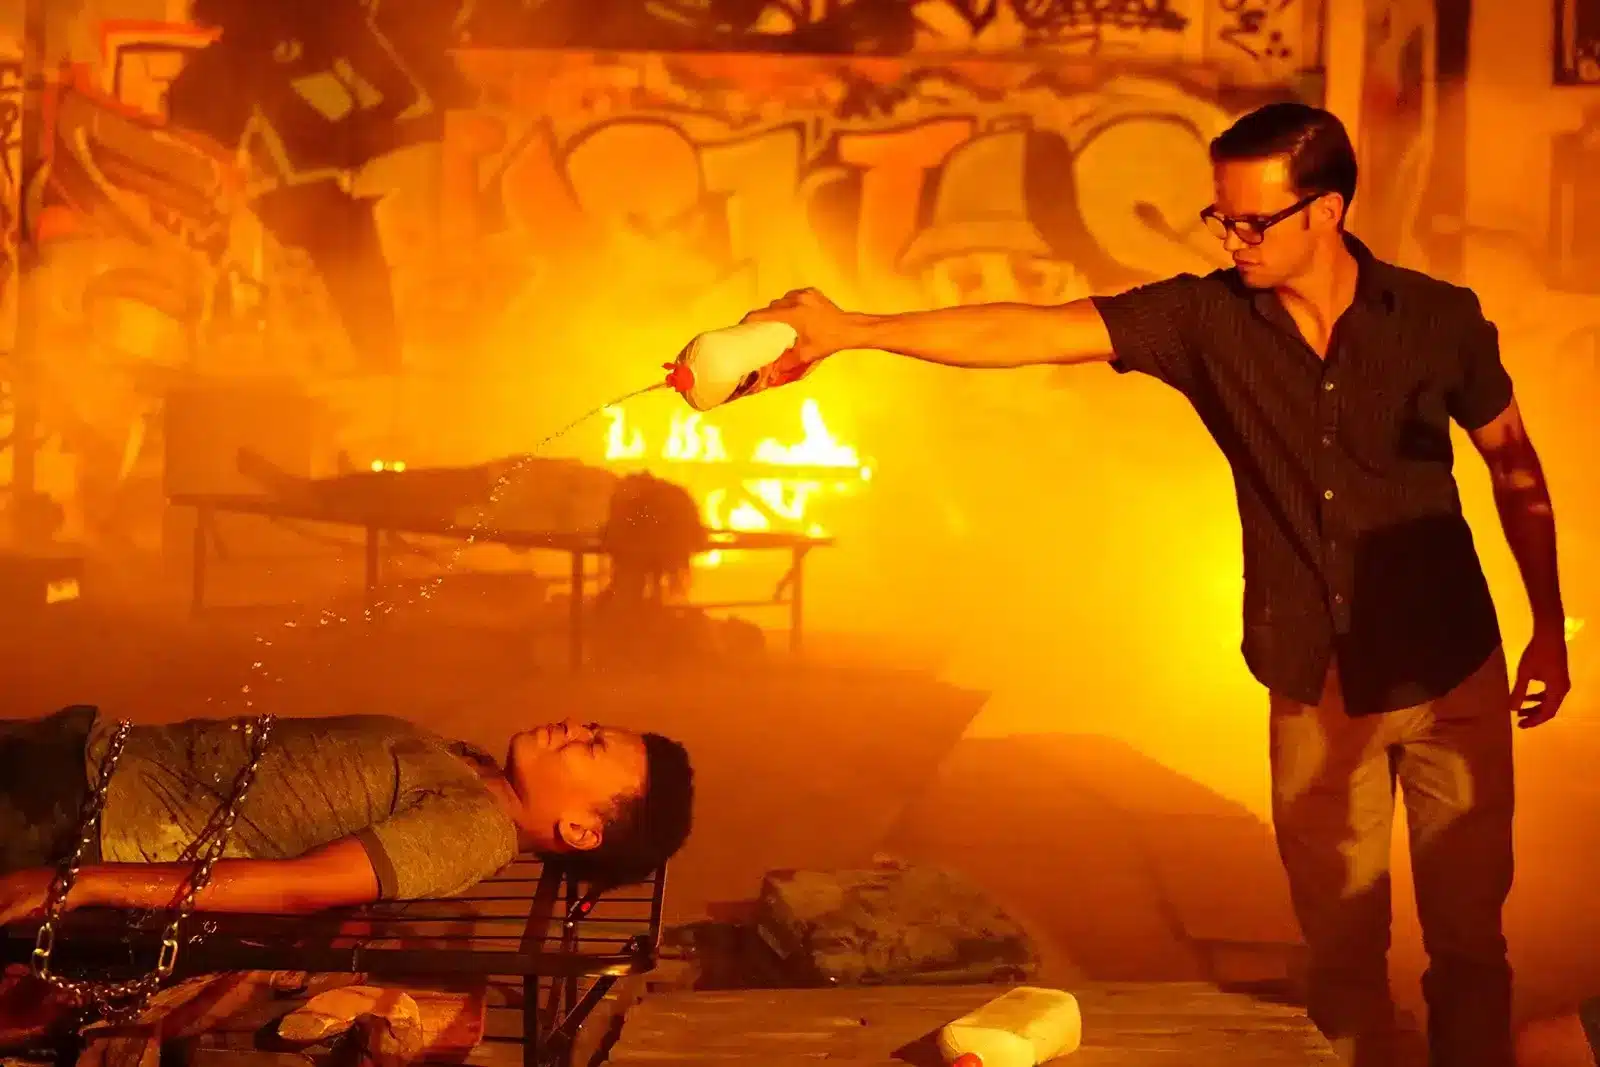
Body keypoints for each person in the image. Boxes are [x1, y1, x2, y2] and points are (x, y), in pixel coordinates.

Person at [737, 102, 1569, 1067]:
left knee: (1469, 948)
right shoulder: (1205, 320)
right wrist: (851, 330)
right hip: (1316, 679)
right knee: (1342, 961)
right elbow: (1030, 330)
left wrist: (1548, 626)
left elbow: (1516, 467)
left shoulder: (1439, 320)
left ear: (1327, 211)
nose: (1232, 239)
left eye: (1252, 221)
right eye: (1222, 217)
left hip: (1451, 672)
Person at [0, 706, 695, 922]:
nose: (573, 725)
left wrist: (79, 883)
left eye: (591, 745)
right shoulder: (474, 768)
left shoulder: (474, 831)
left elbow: (299, 887)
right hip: (80, 754)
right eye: (592, 724)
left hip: (72, 813)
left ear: (580, 829)